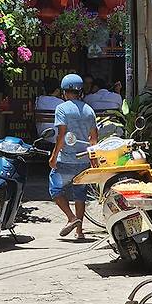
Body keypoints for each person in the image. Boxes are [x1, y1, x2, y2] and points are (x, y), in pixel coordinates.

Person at [48, 74, 98, 241]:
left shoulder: (62, 109)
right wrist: (93, 159)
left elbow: (61, 135)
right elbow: (94, 139)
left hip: (66, 160)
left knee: (55, 189)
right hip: (83, 160)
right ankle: (79, 232)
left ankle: (71, 218)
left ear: (64, 92)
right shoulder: (89, 110)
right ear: (80, 91)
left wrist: (54, 156)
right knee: (80, 195)